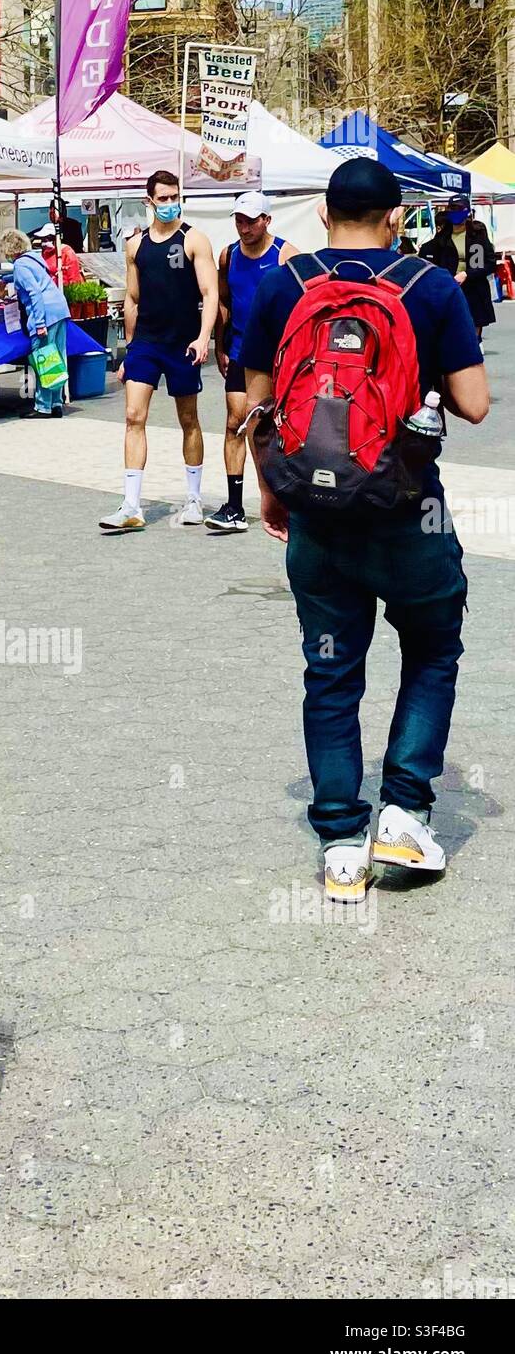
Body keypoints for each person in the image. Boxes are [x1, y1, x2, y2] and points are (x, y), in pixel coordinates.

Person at [240, 157, 489, 902]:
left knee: (331, 672)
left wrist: (274, 491)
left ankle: (342, 843)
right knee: (434, 646)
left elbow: (252, 406)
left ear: (322, 212)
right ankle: (405, 813)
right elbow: (474, 403)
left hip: (316, 516)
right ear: (396, 218)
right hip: (407, 510)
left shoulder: (286, 282)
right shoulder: (430, 286)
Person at [99, 169, 218, 533]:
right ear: (149, 201)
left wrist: (203, 338)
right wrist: (129, 350)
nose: (169, 204)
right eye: (163, 198)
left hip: (182, 343)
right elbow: (132, 299)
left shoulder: (194, 239)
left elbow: (210, 293)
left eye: (174, 197)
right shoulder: (135, 246)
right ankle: (132, 505)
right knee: (134, 416)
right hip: (147, 343)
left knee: (188, 420)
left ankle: (194, 499)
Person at [211, 191, 297, 534]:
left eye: (250, 221)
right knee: (236, 420)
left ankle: (289, 495)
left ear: (267, 220)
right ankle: (234, 505)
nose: (244, 228)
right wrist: (221, 345)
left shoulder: (286, 255)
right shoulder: (228, 256)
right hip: (241, 350)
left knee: (276, 426)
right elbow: (225, 302)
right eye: (239, 221)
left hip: (278, 354)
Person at [0, 228, 70, 419]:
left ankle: (43, 406)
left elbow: (34, 293)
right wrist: (6, 279)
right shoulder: (34, 259)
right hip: (59, 309)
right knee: (57, 358)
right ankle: (56, 403)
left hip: (45, 313)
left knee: (43, 358)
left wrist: (39, 323)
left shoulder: (20, 265)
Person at [419, 195, 496, 344]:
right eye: (452, 209)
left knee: (473, 328)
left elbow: (485, 264)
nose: (455, 212)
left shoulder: (476, 237)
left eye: (459, 209)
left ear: (467, 212)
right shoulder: (442, 238)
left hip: (473, 289)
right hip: (448, 287)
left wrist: (467, 274)